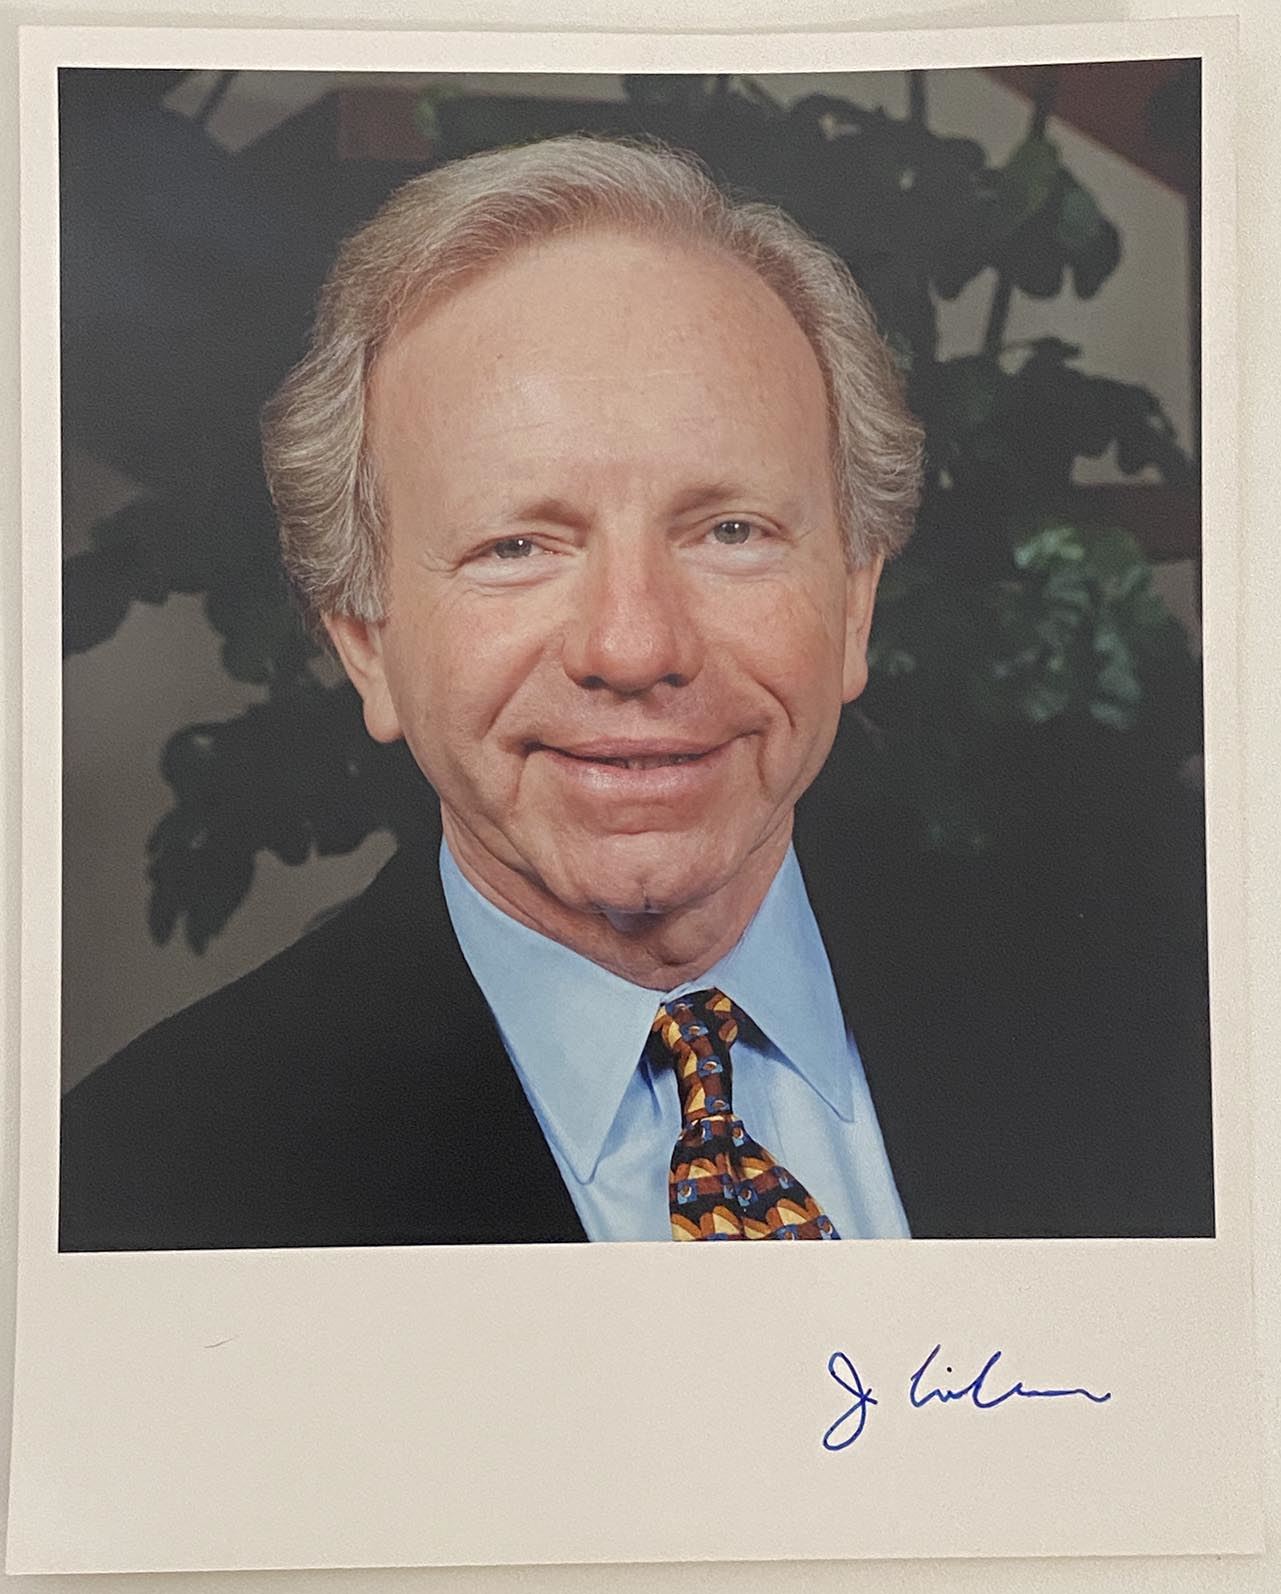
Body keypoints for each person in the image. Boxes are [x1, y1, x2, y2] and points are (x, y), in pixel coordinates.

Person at [59, 136, 1213, 1250]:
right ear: (365, 638)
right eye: (518, 545)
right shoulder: (141, 1187)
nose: (633, 644)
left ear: (856, 600)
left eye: (730, 530)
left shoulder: (1172, 1027)